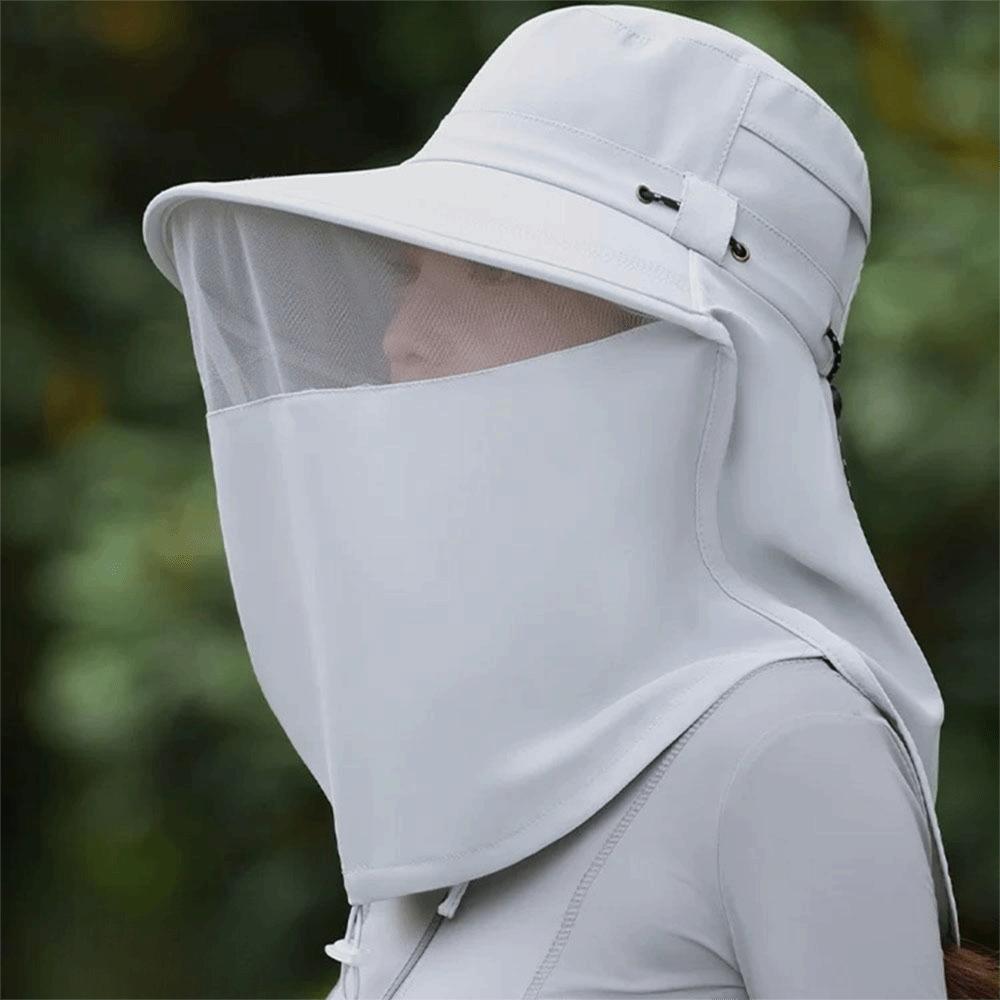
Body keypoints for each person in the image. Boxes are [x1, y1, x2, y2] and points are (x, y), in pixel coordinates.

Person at [141, 4, 999, 997]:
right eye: (408, 273)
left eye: (491, 270)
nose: (399, 338)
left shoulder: (789, 742)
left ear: (679, 351)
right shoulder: (466, 766)